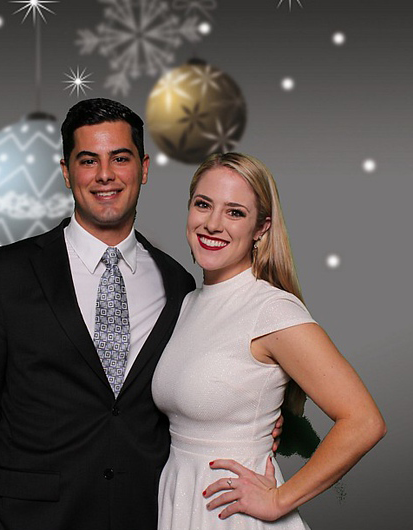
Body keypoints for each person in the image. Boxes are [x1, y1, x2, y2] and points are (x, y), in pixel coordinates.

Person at [0, 98, 200, 530]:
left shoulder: (179, 285)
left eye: (120, 158)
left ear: (144, 168)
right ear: (66, 172)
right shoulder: (2, 276)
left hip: (148, 516)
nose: (105, 175)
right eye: (88, 160)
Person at [152, 152, 386, 529]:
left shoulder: (271, 309)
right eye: (203, 204)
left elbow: (364, 421)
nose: (212, 224)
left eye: (234, 212)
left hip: (232, 515)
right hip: (181, 502)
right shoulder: (188, 303)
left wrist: (279, 499)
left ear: (261, 228)